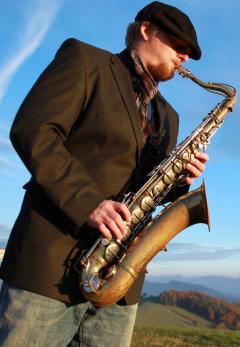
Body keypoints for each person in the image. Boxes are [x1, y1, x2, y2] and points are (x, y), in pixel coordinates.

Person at [0, 2, 207, 345]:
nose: (184, 57)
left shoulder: (169, 117)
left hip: (119, 284)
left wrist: (181, 180)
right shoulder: (84, 60)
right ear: (146, 30)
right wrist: (89, 204)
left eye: (189, 53)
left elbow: (152, 193)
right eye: (179, 46)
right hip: (50, 268)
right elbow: (34, 130)